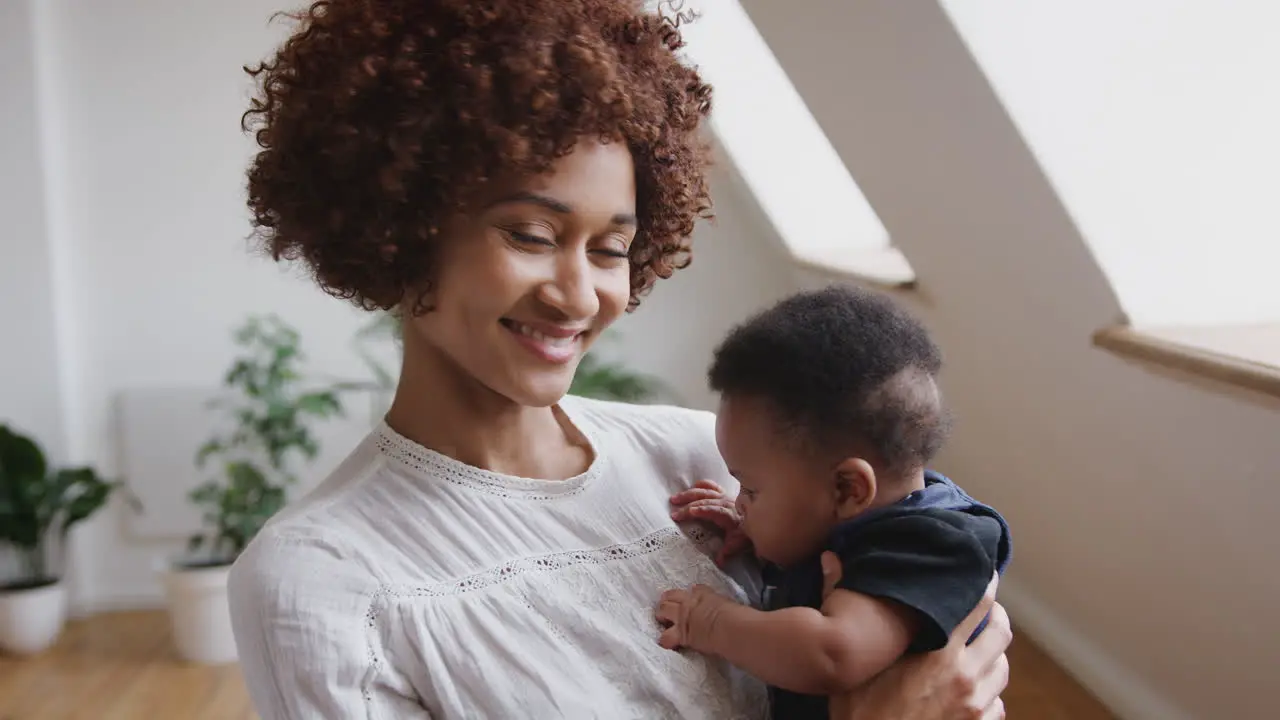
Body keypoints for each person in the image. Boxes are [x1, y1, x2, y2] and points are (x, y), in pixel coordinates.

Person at [226, 1, 1013, 718]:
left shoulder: (708, 461)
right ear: (400, 225)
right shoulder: (325, 581)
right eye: (530, 235)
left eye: (610, 249)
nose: (577, 296)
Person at [654, 286, 1013, 719]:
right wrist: (750, 525)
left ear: (847, 490)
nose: (740, 503)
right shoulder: (856, 521)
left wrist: (710, 622)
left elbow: (832, 652)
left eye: (751, 489)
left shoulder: (932, 543)